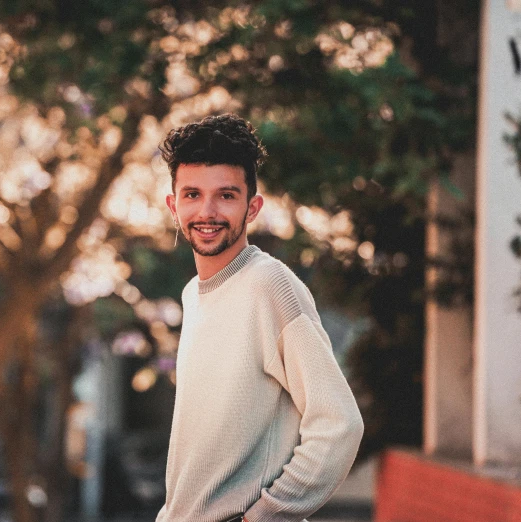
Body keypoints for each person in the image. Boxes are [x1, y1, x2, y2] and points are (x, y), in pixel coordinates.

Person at [154, 114, 364, 522]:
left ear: (252, 208)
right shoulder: (193, 296)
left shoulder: (270, 286)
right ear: (173, 205)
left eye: (226, 196)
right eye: (192, 194)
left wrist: (263, 517)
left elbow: (339, 425)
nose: (208, 211)